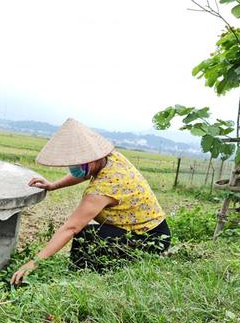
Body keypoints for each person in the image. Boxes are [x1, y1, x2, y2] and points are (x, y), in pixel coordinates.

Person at [10, 118, 170, 285]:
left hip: (152, 241)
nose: (73, 167)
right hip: (140, 229)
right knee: (89, 236)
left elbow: (71, 227)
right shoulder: (110, 158)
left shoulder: (104, 187)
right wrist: (54, 185)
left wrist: (32, 263)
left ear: (92, 159)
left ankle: (81, 280)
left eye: (77, 164)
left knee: (85, 236)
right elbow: (85, 172)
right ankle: (81, 272)